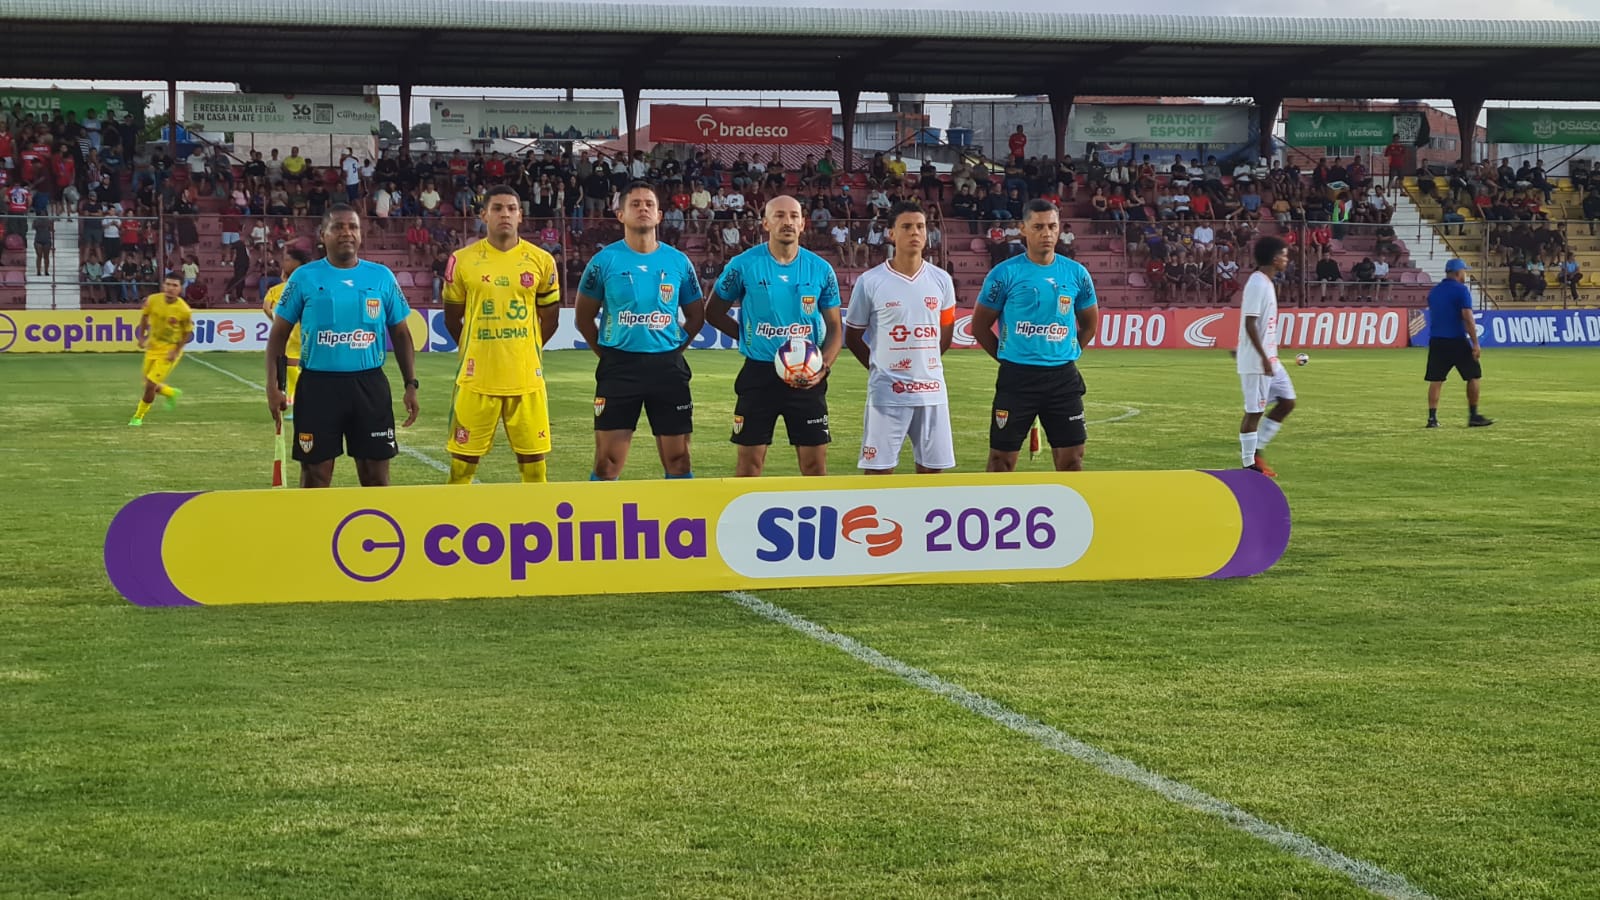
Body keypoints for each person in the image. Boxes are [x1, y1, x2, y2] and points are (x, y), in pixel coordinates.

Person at [265, 205, 419, 488]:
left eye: (353, 227)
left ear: (361, 234)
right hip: (318, 387)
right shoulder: (304, 277)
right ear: (322, 235)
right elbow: (278, 335)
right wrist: (274, 386)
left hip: (369, 386)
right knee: (315, 477)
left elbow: (401, 334)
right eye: (338, 227)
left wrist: (411, 384)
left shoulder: (381, 276)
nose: (346, 233)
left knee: (376, 477)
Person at [575, 182, 706, 481]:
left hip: (668, 368)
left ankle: (677, 512)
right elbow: (584, 318)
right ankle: (601, 511)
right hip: (619, 368)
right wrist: (608, 356)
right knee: (607, 463)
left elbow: (696, 316)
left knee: (679, 460)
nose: (643, 208)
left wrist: (673, 352)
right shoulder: (603, 262)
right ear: (620, 214)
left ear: (659, 215)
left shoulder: (678, 261)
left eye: (649, 204)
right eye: (635, 204)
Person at [705, 194, 844, 477]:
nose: (787, 222)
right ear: (765, 223)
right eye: (779, 215)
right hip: (759, 375)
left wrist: (824, 368)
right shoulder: (742, 265)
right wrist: (749, 339)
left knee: (815, 467)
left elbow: (835, 328)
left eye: (794, 216)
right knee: (749, 467)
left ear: (803, 224)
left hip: (808, 376)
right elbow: (713, 312)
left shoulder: (821, 269)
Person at [440, 185, 561, 485]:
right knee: (461, 470)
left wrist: (524, 350)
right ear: (483, 215)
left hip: (526, 380)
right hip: (476, 380)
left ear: (520, 216)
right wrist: (476, 350)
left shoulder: (542, 260)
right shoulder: (462, 260)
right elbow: (452, 318)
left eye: (511, 208)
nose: (504, 214)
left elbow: (551, 319)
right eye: (497, 208)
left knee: (535, 470)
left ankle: (535, 517)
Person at [970, 199, 1099, 472]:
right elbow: (980, 327)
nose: (1047, 233)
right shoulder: (1004, 274)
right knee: (1001, 461)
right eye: (1038, 227)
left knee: (1072, 460)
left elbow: (1089, 324)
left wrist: (1068, 352)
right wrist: (1008, 358)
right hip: (1017, 379)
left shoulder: (1077, 274)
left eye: (1052, 226)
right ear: (1023, 229)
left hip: (1063, 380)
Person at [843, 200, 957, 474]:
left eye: (920, 226)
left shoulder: (942, 280)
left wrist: (924, 363)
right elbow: (853, 336)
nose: (915, 232)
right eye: (906, 227)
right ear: (891, 234)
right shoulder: (870, 281)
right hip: (887, 394)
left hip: (932, 394)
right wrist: (879, 367)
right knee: (878, 473)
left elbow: (945, 334)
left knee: (932, 474)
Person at [1236, 236, 1295, 477]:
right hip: (1258, 361)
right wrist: (1262, 358)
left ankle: (1257, 449)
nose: (1287, 259)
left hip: (1271, 358)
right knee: (1254, 412)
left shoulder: (1267, 282)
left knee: (1287, 401)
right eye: (1284, 255)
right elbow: (1249, 323)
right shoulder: (1257, 284)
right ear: (1274, 258)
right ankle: (1248, 463)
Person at [1425, 260, 1492, 428]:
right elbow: (1467, 317)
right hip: (1456, 339)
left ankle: (1432, 418)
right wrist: (1475, 343)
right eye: (1464, 271)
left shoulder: (1434, 291)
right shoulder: (1461, 290)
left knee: (1436, 379)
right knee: (1473, 375)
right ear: (1457, 273)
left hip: (1437, 340)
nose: (1465, 274)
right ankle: (1473, 415)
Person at [128, 273, 194, 427]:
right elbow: (145, 317)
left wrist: (176, 351)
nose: (170, 288)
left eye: (174, 285)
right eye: (168, 284)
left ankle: (138, 417)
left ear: (180, 288)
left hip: (169, 350)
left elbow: (187, 333)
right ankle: (170, 392)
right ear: (163, 285)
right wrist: (142, 337)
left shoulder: (184, 310)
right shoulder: (153, 300)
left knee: (150, 385)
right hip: (153, 346)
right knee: (147, 384)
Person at [259, 246, 314, 421]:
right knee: (300, 367)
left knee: (293, 367)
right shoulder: (311, 283)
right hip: (305, 333)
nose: (284, 263)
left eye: (287, 260)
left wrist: (278, 322)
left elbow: (267, 308)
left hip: (298, 333)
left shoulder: (284, 288)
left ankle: (303, 403)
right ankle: (303, 403)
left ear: (298, 263)